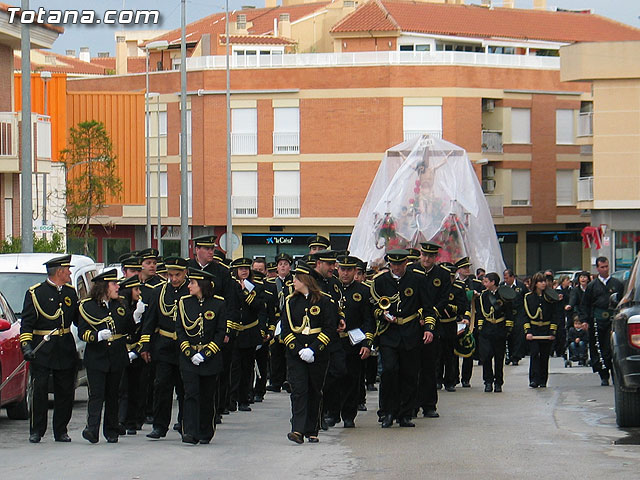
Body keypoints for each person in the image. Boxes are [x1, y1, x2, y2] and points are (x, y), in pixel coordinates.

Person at [370, 249, 435, 428]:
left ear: (406, 263)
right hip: (389, 333)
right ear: (389, 263)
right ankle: (387, 412)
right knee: (389, 371)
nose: (396, 267)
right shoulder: (381, 281)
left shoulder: (417, 280)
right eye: (393, 264)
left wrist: (429, 328)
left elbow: (428, 307)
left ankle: (405, 413)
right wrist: (381, 314)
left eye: (400, 264)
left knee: (410, 374)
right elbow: (372, 307)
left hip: (411, 332)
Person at [20, 254, 79, 443]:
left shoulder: (70, 292)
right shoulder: (35, 293)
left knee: (65, 390)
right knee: (40, 390)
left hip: (65, 346)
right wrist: (26, 346)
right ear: (60, 271)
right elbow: (27, 324)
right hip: (42, 346)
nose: (70, 273)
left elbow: (78, 320)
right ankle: (37, 429)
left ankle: (61, 430)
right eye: (67, 270)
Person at [78, 269, 137, 444]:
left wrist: (136, 317)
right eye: (114, 284)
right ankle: (92, 428)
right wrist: (96, 336)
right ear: (104, 286)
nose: (117, 287)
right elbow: (82, 332)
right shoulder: (87, 306)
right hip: (97, 356)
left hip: (116, 355)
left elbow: (128, 329)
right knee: (96, 394)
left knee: (113, 394)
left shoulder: (119, 305)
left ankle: (111, 430)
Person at [281, 261, 335, 444]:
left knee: (314, 390)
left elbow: (329, 329)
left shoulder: (324, 301)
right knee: (298, 390)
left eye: (296, 278)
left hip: (318, 353)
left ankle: (313, 428)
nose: (293, 282)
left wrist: (313, 349)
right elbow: (286, 330)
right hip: (296, 354)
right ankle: (297, 429)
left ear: (305, 280)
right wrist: (298, 350)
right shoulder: (290, 302)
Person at [176, 268, 227, 444]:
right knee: (190, 394)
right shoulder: (184, 303)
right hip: (189, 357)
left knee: (207, 395)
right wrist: (190, 352)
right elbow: (180, 330)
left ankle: (206, 431)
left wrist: (206, 353)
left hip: (209, 358)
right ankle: (189, 431)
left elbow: (220, 333)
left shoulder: (218, 304)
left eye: (193, 283)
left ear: (202, 285)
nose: (189, 286)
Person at [141, 257, 189, 439]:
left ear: (185, 273)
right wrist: (145, 345)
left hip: (185, 347)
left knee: (185, 388)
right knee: (161, 387)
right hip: (164, 345)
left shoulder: (190, 290)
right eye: (170, 275)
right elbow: (149, 321)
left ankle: (185, 423)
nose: (174, 279)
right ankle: (159, 425)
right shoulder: (159, 292)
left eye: (177, 275)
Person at [323, 255, 373, 428]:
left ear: (355, 271)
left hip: (354, 342)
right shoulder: (329, 288)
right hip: (333, 341)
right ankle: (332, 412)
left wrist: (367, 343)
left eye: (349, 270)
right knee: (332, 379)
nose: (345, 273)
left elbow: (368, 320)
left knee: (352, 379)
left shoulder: (363, 291)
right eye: (342, 269)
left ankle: (349, 415)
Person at [413, 242, 450, 417]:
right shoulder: (411, 270)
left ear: (435, 257)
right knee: (411, 367)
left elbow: (444, 299)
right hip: (412, 324)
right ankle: (411, 404)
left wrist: (429, 317)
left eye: (430, 256)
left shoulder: (442, 274)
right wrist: (418, 315)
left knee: (429, 366)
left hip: (433, 324)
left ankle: (429, 405)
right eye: (424, 255)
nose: (426, 259)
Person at [229, 257, 267, 412]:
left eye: (246, 268)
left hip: (250, 331)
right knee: (234, 367)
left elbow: (259, 306)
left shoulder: (256, 287)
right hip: (235, 331)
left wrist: (246, 291)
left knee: (248, 367)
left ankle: (245, 398)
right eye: (241, 269)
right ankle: (232, 399)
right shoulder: (231, 287)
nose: (244, 271)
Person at [580, 256, 624, 386]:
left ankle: (615, 373)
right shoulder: (592, 286)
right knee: (599, 347)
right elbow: (585, 304)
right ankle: (603, 375)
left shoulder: (617, 284)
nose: (605, 269)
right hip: (597, 320)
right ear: (598, 268)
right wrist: (584, 320)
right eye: (602, 267)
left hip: (612, 318)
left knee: (613, 347)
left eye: (607, 267)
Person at [117, 275, 147, 436]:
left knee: (137, 386)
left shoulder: (140, 306)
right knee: (122, 389)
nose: (139, 292)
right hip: (121, 351)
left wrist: (137, 351)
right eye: (136, 289)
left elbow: (145, 332)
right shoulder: (121, 306)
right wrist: (134, 317)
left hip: (135, 350)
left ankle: (134, 420)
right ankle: (120, 420)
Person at [476, 272, 514, 392]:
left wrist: (508, 327)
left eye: (486, 281)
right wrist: (480, 326)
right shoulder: (483, 296)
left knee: (499, 357)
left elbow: (509, 311)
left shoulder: (504, 295)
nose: (484, 283)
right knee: (486, 356)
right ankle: (488, 381)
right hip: (487, 327)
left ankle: (498, 382)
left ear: (493, 282)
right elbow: (481, 312)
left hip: (500, 327)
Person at [523, 273, 560, 388]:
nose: (543, 283)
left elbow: (555, 315)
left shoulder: (550, 297)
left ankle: (543, 379)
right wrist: (528, 331)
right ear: (535, 284)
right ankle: (533, 379)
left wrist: (552, 331)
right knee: (534, 354)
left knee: (544, 356)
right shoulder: (528, 297)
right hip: (534, 330)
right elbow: (525, 315)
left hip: (546, 330)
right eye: (540, 281)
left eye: (544, 281)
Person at [265, 252, 294, 393]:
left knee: (289, 351)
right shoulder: (270, 283)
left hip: (289, 320)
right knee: (275, 352)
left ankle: (289, 380)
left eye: (286, 264)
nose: (283, 266)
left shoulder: (294, 282)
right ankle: (276, 381)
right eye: (280, 264)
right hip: (276, 320)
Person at [455, 257, 483, 388]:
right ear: (458, 270)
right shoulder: (453, 282)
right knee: (453, 350)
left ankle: (466, 378)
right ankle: (453, 376)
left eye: (468, 267)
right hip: (455, 319)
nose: (467, 270)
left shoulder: (476, 283)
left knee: (469, 348)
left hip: (471, 319)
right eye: (464, 268)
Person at [502, 269, 527, 366]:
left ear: (512, 277)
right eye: (504, 278)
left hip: (519, 313)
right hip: (507, 314)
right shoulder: (502, 286)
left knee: (518, 335)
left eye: (507, 278)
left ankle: (516, 356)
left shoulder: (521, 286)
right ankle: (509, 355)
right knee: (508, 335)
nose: (505, 280)